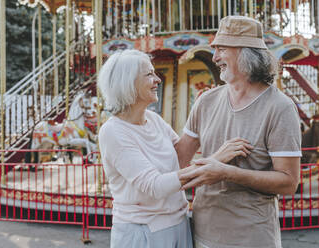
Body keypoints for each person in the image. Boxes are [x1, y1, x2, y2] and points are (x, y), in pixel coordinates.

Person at [176, 16, 302, 248]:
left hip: (252, 238)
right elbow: (177, 160)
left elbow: (288, 182)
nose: (214, 58)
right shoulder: (206, 101)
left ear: (246, 52)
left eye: (222, 49)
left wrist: (226, 172)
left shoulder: (280, 107)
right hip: (201, 233)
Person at [97, 49, 193, 248]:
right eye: (149, 74)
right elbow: (154, 186)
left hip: (179, 221)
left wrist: (201, 114)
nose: (157, 79)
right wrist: (212, 167)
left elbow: (180, 157)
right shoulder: (113, 131)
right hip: (144, 231)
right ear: (127, 82)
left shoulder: (154, 120)